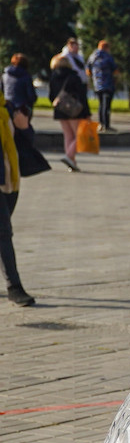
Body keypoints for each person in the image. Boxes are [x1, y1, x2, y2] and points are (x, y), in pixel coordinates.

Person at [1, 101, 34, 305]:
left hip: (9, 181)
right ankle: (14, 287)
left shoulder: (7, 108)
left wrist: (24, 127)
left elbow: (26, 142)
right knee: (4, 232)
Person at [47, 52, 90, 172]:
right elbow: (82, 96)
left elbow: (51, 96)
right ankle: (69, 156)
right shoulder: (74, 77)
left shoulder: (53, 78)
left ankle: (72, 161)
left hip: (60, 110)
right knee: (80, 136)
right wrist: (87, 112)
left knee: (68, 136)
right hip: (75, 110)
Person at [87, 40, 117, 131]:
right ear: (106, 48)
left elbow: (88, 70)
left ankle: (100, 123)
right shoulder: (108, 57)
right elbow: (115, 70)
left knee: (101, 105)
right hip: (107, 84)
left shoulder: (92, 56)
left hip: (97, 85)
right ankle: (106, 125)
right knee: (106, 105)